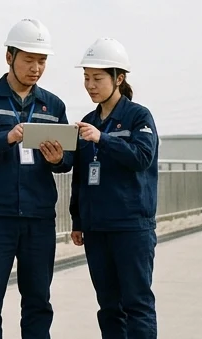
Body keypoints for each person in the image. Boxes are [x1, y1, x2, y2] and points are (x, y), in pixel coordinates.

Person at [0, 18, 73, 339]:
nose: (36, 68)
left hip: (38, 219)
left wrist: (58, 159)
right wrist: (5, 138)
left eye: (42, 61)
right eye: (29, 60)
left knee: (38, 301)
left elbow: (67, 161)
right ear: (9, 57)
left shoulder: (54, 105)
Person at [68, 37, 160, 339]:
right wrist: (78, 220)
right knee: (108, 306)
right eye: (86, 78)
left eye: (97, 78)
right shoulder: (88, 121)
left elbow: (141, 158)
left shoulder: (138, 117)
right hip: (97, 228)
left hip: (132, 227)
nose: (90, 85)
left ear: (119, 78)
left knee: (137, 303)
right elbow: (80, 175)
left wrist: (103, 139)